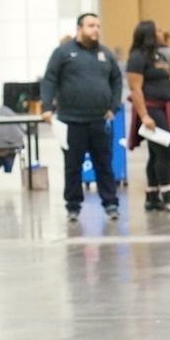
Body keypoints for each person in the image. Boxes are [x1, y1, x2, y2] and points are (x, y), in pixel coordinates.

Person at [40, 13, 123, 223]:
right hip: (71, 121)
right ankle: (73, 206)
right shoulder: (63, 53)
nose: (96, 29)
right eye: (91, 25)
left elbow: (116, 80)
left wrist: (113, 107)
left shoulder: (105, 54)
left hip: (99, 121)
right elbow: (49, 79)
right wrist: (46, 107)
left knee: (104, 164)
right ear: (79, 29)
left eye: (98, 26)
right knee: (73, 166)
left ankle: (110, 203)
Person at [125, 20, 170, 212]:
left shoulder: (158, 55)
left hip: (166, 107)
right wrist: (144, 116)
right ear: (148, 34)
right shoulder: (137, 57)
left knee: (155, 153)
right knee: (165, 150)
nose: (161, 33)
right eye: (157, 30)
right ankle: (168, 196)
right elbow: (135, 88)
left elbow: (159, 81)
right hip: (151, 109)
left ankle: (152, 196)